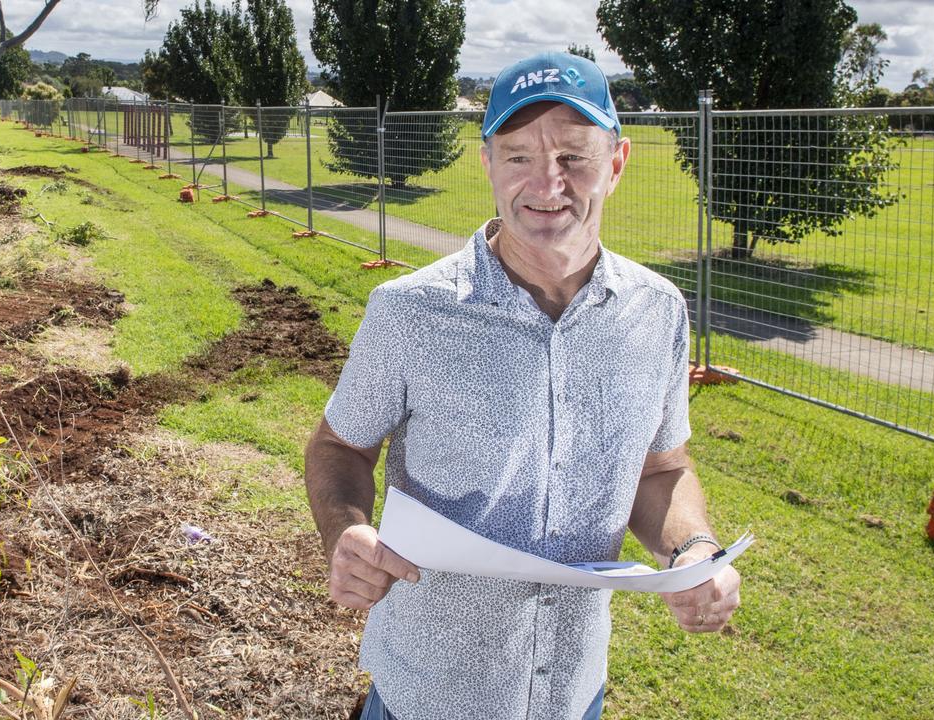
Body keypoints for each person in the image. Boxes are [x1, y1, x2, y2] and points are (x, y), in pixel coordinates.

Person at [303, 51, 742, 720]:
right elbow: (339, 448)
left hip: (572, 693)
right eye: (518, 157)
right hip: (426, 694)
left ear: (617, 161)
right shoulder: (410, 311)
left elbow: (660, 471)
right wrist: (346, 531)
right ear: (487, 164)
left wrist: (693, 550)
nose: (546, 183)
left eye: (573, 156)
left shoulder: (657, 312)